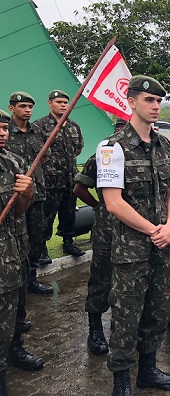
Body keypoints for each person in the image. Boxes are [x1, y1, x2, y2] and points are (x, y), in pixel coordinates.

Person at [96, 75, 170, 394]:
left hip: (162, 245)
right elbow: (113, 203)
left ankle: (147, 370)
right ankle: (121, 379)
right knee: (126, 314)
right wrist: (153, 230)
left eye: (159, 101)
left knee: (157, 311)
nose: (156, 106)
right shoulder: (111, 148)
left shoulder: (164, 145)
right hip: (131, 250)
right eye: (149, 100)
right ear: (131, 102)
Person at [73, 119, 127, 356]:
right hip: (108, 229)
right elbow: (79, 188)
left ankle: (127, 330)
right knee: (101, 279)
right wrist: (98, 206)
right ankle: (95, 330)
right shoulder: (104, 154)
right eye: (120, 129)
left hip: (136, 230)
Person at [0, 109, 35, 395]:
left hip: (9, 252)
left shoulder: (12, 162)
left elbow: (18, 213)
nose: (2, 133)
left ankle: (12, 354)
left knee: (10, 313)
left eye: (5, 129)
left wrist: (27, 193)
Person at [6, 92, 52, 296]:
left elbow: (45, 157)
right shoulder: (6, 131)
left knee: (35, 236)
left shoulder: (38, 131)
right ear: (12, 108)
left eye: (30, 107)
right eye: (23, 106)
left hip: (36, 192)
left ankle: (31, 278)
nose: (27, 110)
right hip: (11, 196)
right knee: (14, 238)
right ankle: (14, 280)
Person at [35, 90, 85, 262]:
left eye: (65, 102)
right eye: (59, 102)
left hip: (70, 180)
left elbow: (78, 148)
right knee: (46, 216)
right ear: (50, 103)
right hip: (50, 181)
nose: (63, 105)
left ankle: (68, 242)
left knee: (69, 213)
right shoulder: (40, 126)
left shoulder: (73, 126)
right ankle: (42, 247)